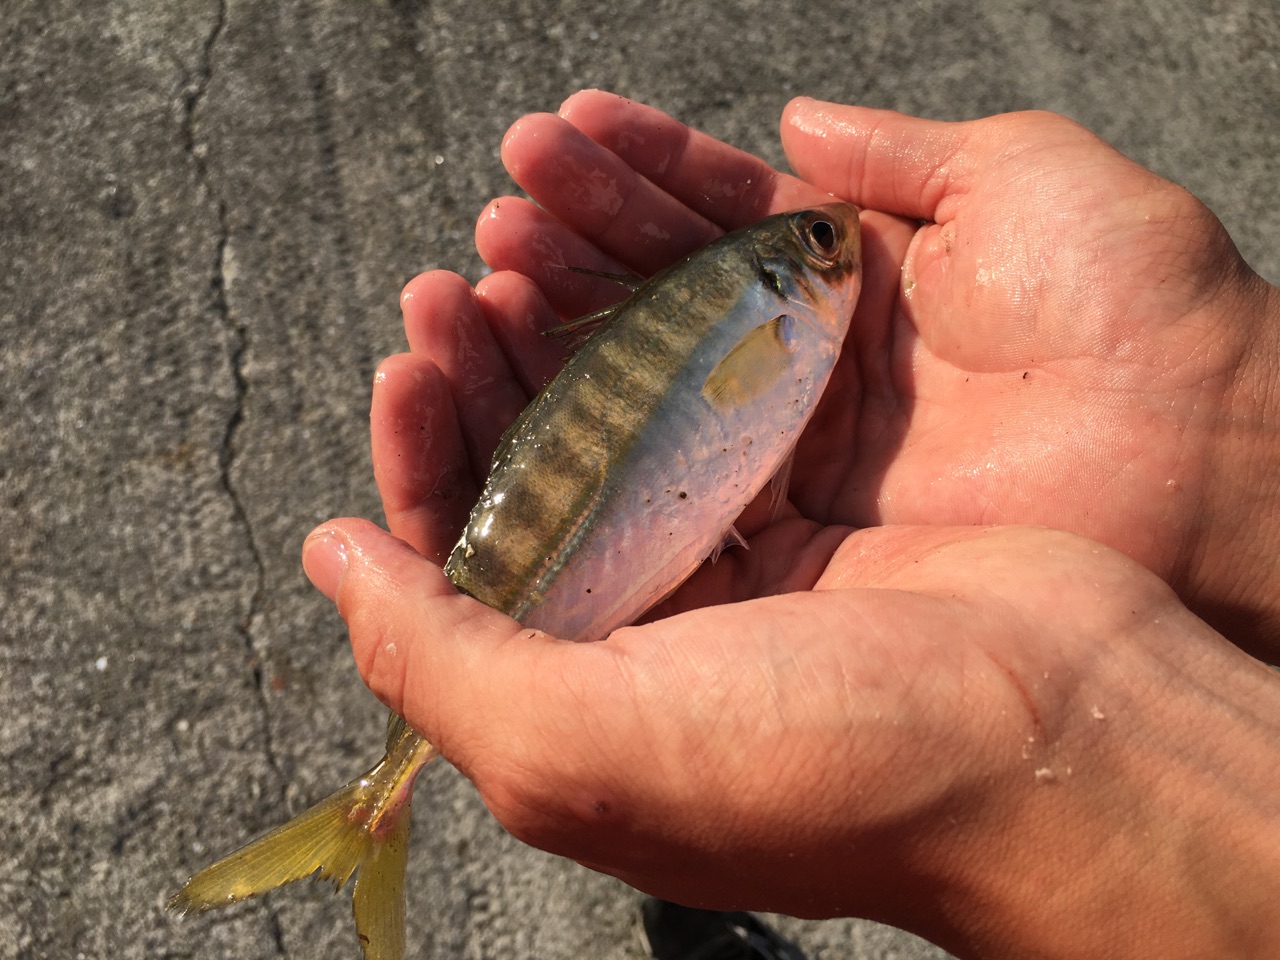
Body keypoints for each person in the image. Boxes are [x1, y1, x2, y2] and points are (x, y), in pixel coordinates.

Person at [299, 92, 1280, 959]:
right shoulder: (775, 304)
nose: (842, 240)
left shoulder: (792, 315)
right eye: (818, 244)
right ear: (780, 285)